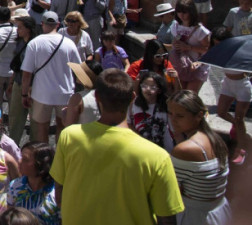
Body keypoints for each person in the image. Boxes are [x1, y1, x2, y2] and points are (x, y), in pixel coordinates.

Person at [50, 69, 184, 225]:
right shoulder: (158, 156)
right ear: (133, 98)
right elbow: (166, 217)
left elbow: (59, 194)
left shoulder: (69, 137)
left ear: (97, 97)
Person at [168, 90, 231, 225]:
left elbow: (170, 190)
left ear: (199, 115)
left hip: (195, 216)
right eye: (170, 113)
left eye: (180, 116)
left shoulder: (185, 150)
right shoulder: (215, 139)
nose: (172, 120)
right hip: (220, 212)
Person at [21, 12, 81, 143]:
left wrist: (24, 94)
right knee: (63, 127)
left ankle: (45, 158)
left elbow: (26, 74)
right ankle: (59, 156)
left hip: (42, 94)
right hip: (65, 93)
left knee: (42, 128)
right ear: (58, 25)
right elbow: (79, 70)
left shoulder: (34, 43)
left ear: (42, 24)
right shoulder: (69, 43)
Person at [210, 27, 250, 165]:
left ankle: (242, 148)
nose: (217, 46)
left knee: (239, 118)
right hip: (227, 83)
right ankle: (240, 129)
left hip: (242, 85)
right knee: (221, 112)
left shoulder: (239, 50)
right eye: (215, 43)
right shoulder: (218, 51)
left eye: (220, 43)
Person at [6, 142, 60, 225]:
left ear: (40, 165)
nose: (19, 161)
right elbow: (9, 217)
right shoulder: (15, 186)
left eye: (25, 159)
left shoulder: (57, 192)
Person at [6, 10, 37, 144]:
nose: (17, 30)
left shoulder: (35, 44)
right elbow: (17, 65)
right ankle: (13, 145)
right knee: (15, 118)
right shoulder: (19, 42)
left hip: (32, 87)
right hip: (19, 83)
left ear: (28, 29)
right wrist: (11, 83)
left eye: (20, 27)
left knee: (35, 119)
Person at [168, 0, 211, 93]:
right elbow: (175, 40)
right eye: (179, 12)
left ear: (191, 12)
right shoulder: (175, 25)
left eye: (184, 12)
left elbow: (208, 50)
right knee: (180, 93)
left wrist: (189, 47)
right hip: (181, 65)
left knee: (190, 96)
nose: (181, 15)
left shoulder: (201, 31)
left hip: (196, 66)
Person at [128, 72, 174, 151]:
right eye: (144, 86)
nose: (148, 89)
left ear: (159, 90)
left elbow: (174, 130)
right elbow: (128, 123)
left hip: (163, 148)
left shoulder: (166, 105)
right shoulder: (133, 104)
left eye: (152, 87)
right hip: (139, 147)